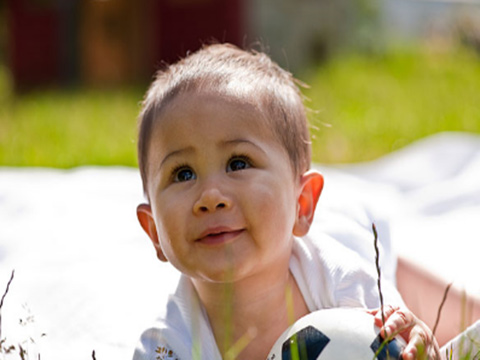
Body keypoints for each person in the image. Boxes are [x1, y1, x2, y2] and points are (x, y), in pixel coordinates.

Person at [132, 43, 439, 360]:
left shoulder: (347, 285)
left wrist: (420, 342)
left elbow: (406, 343)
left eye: (238, 163)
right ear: (154, 231)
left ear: (302, 204)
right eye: (183, 174)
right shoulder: (167, 346)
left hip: (363, 240)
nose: (210, 197)